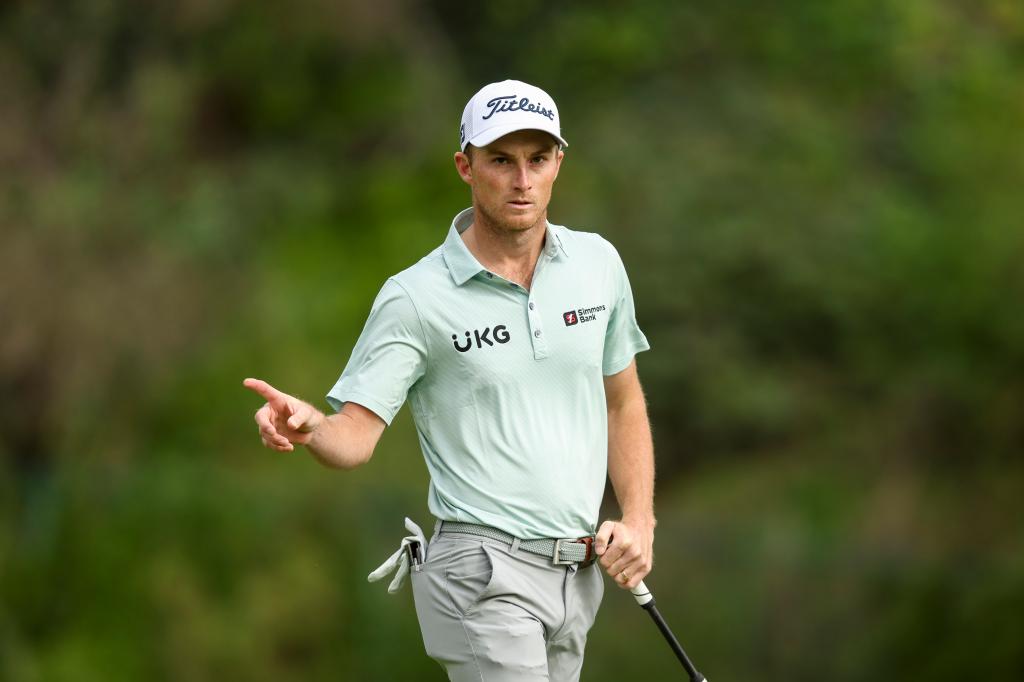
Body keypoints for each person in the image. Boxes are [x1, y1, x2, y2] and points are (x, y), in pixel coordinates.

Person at [244, 79, 655, 681]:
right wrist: (311, 428)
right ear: (466, 166)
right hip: (482, 574)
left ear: (557, 163)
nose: (522, 180)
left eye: (537, 160)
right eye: (501, 161)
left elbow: (622, 402)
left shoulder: (598, 265)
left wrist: (640, 522)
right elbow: (354, 436)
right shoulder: (416, 297)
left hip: (579, 573)